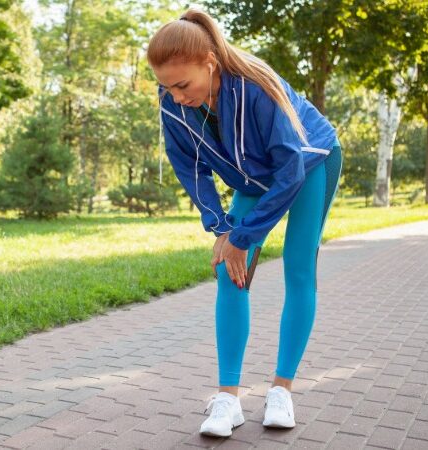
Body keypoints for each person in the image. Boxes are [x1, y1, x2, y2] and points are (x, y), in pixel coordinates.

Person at [146, 8, 343, 438]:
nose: (176, 96)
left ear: (209, 63)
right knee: (227, 269)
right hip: (254, 175)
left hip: (309, 163)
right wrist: (222, 229)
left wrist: (245, 234)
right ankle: (228, 399)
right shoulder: (173, 105)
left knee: (297, 265)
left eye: (183, 85)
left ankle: (281, 390)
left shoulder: (255, 87)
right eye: (166, 87)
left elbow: (290, 167)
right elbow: (190, 168)